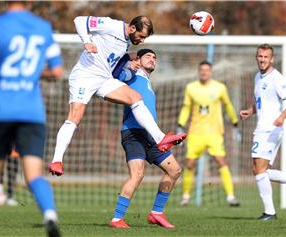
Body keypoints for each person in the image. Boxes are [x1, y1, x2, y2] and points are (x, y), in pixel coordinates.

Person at [0, 2, 63, 236]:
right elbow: (57, 72)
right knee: (34, 175)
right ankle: (49, 213)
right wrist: (32, 74)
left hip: (0, 111)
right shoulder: (42, 26)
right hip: (31, 112)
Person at [48, 15, 186, 176]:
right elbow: (78, 20)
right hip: (85, 76)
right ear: (132, 28)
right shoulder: (111, 25)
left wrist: (128, 60)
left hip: (104, 78)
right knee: (75, 116)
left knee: (135, 97)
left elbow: (113, 67)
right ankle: (57, 160)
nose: (142, 41)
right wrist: (86, 41)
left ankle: (160, 138)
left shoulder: (126, 42)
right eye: (141, 37)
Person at [109, 49, 182, 229]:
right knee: (138, 174)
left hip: (150, 136)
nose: (152, 59)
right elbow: (116, 74)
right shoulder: (131, 76)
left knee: (175, 170)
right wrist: (127, 62)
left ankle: (156, 213)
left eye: (154, 57)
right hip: (133, 133)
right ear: (138, 60)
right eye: (148, 56)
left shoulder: (147, 81)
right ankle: (117, 218)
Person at [239, 43, 286, 221]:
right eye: (260, 56)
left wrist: (282, 117)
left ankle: (270, 212)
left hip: (270, 129)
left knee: (259, 170)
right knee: (259, 170)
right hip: (263, 127)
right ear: (257, 57)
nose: (262, 59)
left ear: (272, 59)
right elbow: (262, 101)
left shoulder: (276, 78)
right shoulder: (258, 76)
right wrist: (250, 110)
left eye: (266, 57)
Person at [178, 61, 240, 207]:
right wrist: (180, 125)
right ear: (199, 72)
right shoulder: (191, 87)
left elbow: (228, 105)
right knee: (190, 163)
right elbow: (186, 107)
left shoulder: (220, 87)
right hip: (195, 133)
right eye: (202, 70)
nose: (204, 72)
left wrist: (235, 123)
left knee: (221, 161)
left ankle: (231, 196)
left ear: (211, 72)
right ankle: (186, 196)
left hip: (214, 133)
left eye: (207, 70)